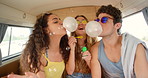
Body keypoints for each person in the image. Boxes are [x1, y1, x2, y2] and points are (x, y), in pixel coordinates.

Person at [7, 13, 77, 78]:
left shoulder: (63, 50)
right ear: (46, 30)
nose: (62, 22)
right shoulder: (37, 55)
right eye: (55, 22)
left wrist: (72, 48)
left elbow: (70, 71)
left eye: (60, 20)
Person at [91, 4, 148, 78]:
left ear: (117, 25)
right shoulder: (95, 49)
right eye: (97, 20)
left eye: (104, 20)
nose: (98, 23)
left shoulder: (135, 46)